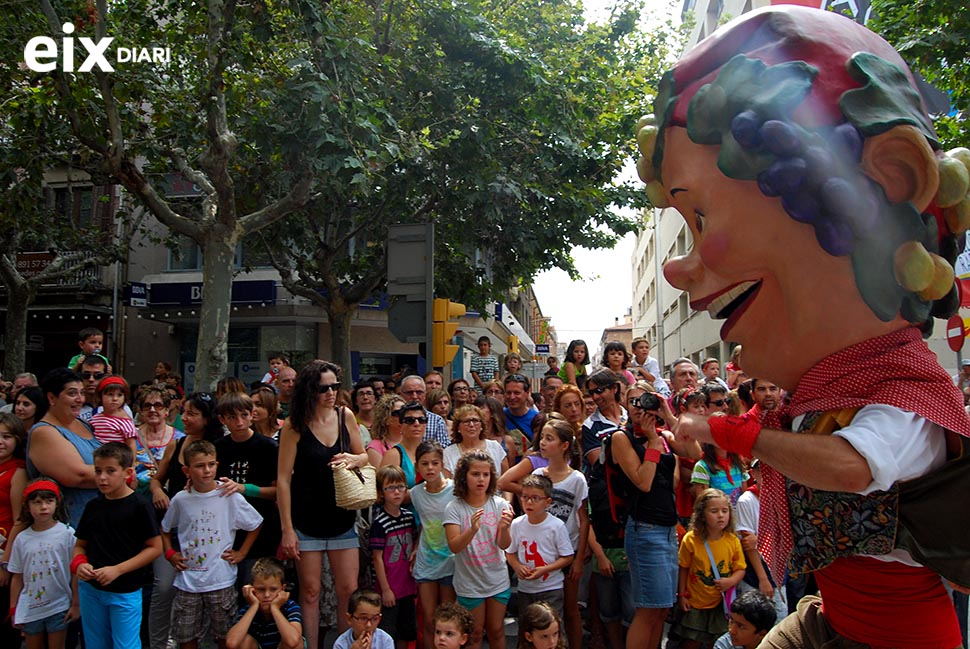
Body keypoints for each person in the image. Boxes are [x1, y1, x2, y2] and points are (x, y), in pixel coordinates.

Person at [648, 7, 970, 645]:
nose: (677, 269)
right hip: (831, 620)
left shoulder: (908, 392)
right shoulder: (824, 393)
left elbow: (850, 468)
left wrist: (727, 431)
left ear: (888, 178)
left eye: (702, 221)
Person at [278, 360, 368, 646]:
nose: (331, 393)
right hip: (306, 520)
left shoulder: (345, 416)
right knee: (310, 592)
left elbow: (364, 456)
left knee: (348, 591)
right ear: (309, 390)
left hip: (342, 517)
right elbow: (282, 479)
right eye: (323, 388)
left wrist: (354, 459)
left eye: (335, 386)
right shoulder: (294, 425)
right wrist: (287, 529)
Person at [161, 439, 263, 649]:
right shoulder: (181, 499)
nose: (207, 470)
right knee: (185, 635)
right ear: (186, 470)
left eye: (211, 464)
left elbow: (255, 523)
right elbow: (164, 529)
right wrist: (170, 553)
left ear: (217, 464)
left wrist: (241, 553)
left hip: (220, 579)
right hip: (188, 581)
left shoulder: (228, 495)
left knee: (225, 635)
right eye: (199, 466)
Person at [147, 391, 222, 649]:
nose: (185, 418)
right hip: (172, 529)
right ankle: (158, 643)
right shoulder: (176, 444)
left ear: (207, 418)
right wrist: (158, 490)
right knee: (164, 587)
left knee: (205, 594)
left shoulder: (218, 447)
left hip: (206, 534)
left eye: (192, 413)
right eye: (184, 412)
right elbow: (157, 477)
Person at [73, 443, 162, 649]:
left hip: (125, 589)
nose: (102, 477)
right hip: (91, 589)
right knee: (95, 643)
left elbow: (155, 548)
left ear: (128, 472)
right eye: (98, 471)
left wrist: (118, 570)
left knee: (126, 645)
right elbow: (80, 545)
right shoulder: (93, 506)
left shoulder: (140, 506)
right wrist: (79, 564)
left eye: (110, 471)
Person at [443, 450, 514, 649]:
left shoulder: (500, 504)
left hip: (497, 579)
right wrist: (472, 530)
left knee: (497, 630)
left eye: (486, 474)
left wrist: (504, 528)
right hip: (470, 583)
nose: (481, 479)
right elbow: (454, 546)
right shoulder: (454, 508)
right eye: (475, 474)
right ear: (463, 476)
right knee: (473, 634)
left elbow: (504, 545)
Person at [213, 392, 280, 588]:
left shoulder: (268, 447)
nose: (239, 422)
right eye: (232, 417)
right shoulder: (218, 447)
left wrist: (245, 488)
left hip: (263, 528)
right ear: (222, 419)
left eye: (244, 415)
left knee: (257, 585)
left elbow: (278, 491)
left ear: (252, 414)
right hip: (227, 529)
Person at [532, 417, 588, 649]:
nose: (543, 443)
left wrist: (579, 560)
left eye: (549, 438)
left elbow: (584, 520)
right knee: (543, 610)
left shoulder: (577, 479)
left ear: (564, 445)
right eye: (542, 437)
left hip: (568, 550)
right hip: (542, 551)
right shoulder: (538, 474)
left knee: (570, 608)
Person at [7, 477, 78, 649]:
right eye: (37, 502)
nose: (44, 507)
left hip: (59, 605)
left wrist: (76, 603)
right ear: (28, 506)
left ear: (57, 503)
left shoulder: (67, 534)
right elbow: (17, 577)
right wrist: (13, 608)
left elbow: (76, 572)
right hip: (30, 608)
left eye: (49, 501)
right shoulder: (22, 539)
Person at [26, 368, 100, 529]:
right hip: (72, 527)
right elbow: (78, 475)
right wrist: (122, 473)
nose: (80, 399)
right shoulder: (44, 432)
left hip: (100, 520)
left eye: (82, 393)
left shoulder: (85, 424)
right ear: (52, 398)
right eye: (72, 393)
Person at [674, 489, 746, 649]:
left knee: (717, 641)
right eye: (714, 511)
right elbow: (683, 567)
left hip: (720, 604)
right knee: (691, 640)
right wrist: (682, 595)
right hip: (695, 602)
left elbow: (740, 568)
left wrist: (731, 581)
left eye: (725, 511)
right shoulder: (691, 539)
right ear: (702, 514)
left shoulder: (732, 540)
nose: (720, 515)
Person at [505, 474, 574, 619]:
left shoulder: (556, 526)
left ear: (547, 502)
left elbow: (567, 557)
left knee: (551, 625)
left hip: (551, 587)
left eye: (535, 498)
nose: (529, 502)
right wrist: (517, 566)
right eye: (525, 497)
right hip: (525, 589)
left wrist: (545, 569)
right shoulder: (517, 524)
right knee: (527, 627)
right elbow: (510, 552)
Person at [409, 441, 456, 649]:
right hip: (427, 561)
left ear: (442, 464)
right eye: (424, 463)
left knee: (446, 620)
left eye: (434, 463)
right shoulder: (416, 493)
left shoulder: (455, 490)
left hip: (451, 561)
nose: (430, 468)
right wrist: (418, 545)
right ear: (417, 466)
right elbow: (425, 524)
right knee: (428, 619)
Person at [371, 465, 418, 649]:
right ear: (381, 492)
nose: (397, 492)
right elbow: (377, 557)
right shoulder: (379, 522)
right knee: (387, 633)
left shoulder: (408, 516)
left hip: (407, 586)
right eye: (390, 488)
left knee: (406, 632)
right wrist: (385, 589)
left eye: (400, 487)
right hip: (389, 588)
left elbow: (414, 542)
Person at [226, 557, 303, 649]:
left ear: (282, 589)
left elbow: (292, 641)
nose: (267, 595)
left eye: (273, 589)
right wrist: (254, 606)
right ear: (252, 589)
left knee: (297, 641)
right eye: (261, 589)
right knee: (243, 640)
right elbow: (232, 643)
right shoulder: (248, 609)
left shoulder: (290, 606)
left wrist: (275, 608)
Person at [442, 405, 508, 478]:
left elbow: (505, 482)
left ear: (481, 426)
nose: (471, 425)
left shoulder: (496, 447)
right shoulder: (448, 453)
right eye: (466, 421)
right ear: (458, 428)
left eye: (475, 420)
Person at [581, 369, 628, 468]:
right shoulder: (589, 426)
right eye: (592, 392)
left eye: (599, 391)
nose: (595, 397)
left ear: (614, 388)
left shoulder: (631, 416)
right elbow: (599, 466)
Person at [380, 401, 430, 489]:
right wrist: (422, 493)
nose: (416, 424)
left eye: (421, 420)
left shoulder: (431, 451)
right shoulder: (393, 455)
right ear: (400, 426)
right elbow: (386, 492)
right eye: (410, 420)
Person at [713, 591, 777, 649]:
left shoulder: (779, 645)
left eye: (741, 626)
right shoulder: (724, 645)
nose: (731, 630)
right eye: (731, 620)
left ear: (761, 634)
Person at [89, 376, 137, 454]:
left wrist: (131, 465)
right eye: (110, 394)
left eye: (119, 395)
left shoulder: (124, 421)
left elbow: (131, 445)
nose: (115, 398)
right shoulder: (95, 418)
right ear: (100, 396)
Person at [367, 394, 407, 467]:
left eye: (405, 412)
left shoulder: (413, 442)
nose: (404, 416)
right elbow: (381, 477)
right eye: (398, 413)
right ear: (386, 418)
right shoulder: (375, 447)